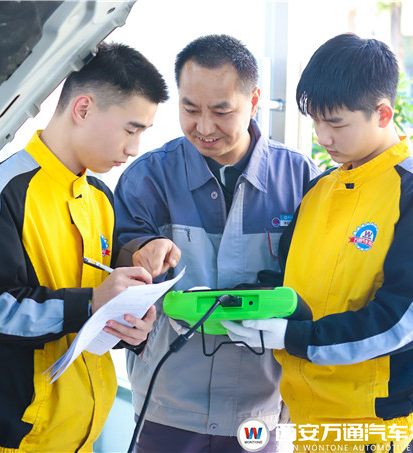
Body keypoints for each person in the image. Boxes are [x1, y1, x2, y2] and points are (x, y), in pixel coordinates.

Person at [224, 33, 413, 452]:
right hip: (309, 420)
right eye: (316, 121)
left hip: (381, 427)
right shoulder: (319, 190)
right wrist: (243, 305)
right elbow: (288, 283)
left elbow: (409, 319)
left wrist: (297, 338)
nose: (323, 137)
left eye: (336, 123)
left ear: (382, 114)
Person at [0, 42, 169, 453]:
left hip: (81, 438)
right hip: (14, 443)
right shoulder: (3, 191)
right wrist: (90, 303)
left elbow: (88, 314)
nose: (134, 148)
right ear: (83, 109)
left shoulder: (100, 198)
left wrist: (129, 328)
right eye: (131, 129)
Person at [113, 34, 320, 452]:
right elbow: (117, 256)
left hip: (259, 409)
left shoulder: (300, 179)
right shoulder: (147, 177)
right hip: (166, 405)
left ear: (254, 100)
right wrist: (140, 250)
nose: (204, 127)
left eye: (221, 111)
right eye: (190, 109)